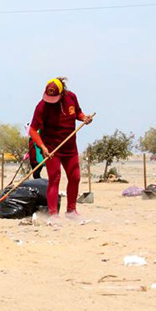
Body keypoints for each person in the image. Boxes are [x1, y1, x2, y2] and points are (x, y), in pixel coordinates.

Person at [29, 77, 93, 218]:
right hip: (51, 148)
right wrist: (43, 148)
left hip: (69, 147)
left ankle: (71, 211)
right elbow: (33, 130)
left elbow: (78, 113)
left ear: (63, 92)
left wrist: (84, 118)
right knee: (55, 177)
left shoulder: (71, 97)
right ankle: (53, 214)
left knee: (75, 177)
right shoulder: (42, 106)